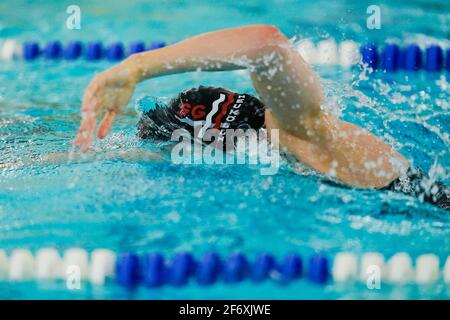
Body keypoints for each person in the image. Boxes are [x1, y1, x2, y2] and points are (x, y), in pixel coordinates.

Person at [73, 25, 449, 211]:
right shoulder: (294, 134)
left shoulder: (300, 131)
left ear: (223, 145)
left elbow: (265, 42)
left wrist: (137, 67)